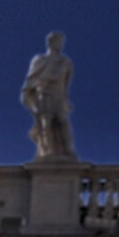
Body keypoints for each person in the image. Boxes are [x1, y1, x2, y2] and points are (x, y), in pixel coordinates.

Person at [22, 31, 77, 162]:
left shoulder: (65, 62)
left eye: (61, 42)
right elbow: (31, 79)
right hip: (43, 95)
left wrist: (65, 97)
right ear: (50, 43)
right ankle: (47, 151)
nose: (59, 45)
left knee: (62, 122)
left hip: (59, 96)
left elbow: (66, 83)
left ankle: (67, 150)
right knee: (45, 123)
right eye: (57, 42)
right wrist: (32, 95)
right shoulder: (40, 60)